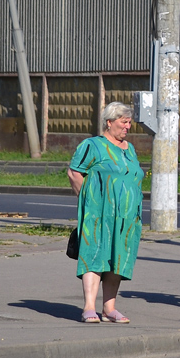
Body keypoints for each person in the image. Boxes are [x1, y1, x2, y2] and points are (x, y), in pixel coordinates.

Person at [67, 101, 143, 324]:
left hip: (127, 218)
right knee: (94, 256)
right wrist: (90, 202)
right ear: (109, 122)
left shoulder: (130, 149)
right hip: (98, 215)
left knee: (118, 260)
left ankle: (109, 308)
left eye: (129, 122)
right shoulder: (92, 145)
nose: (127, 127)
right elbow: (74, 173)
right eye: (123, 122)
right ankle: (89, 307)